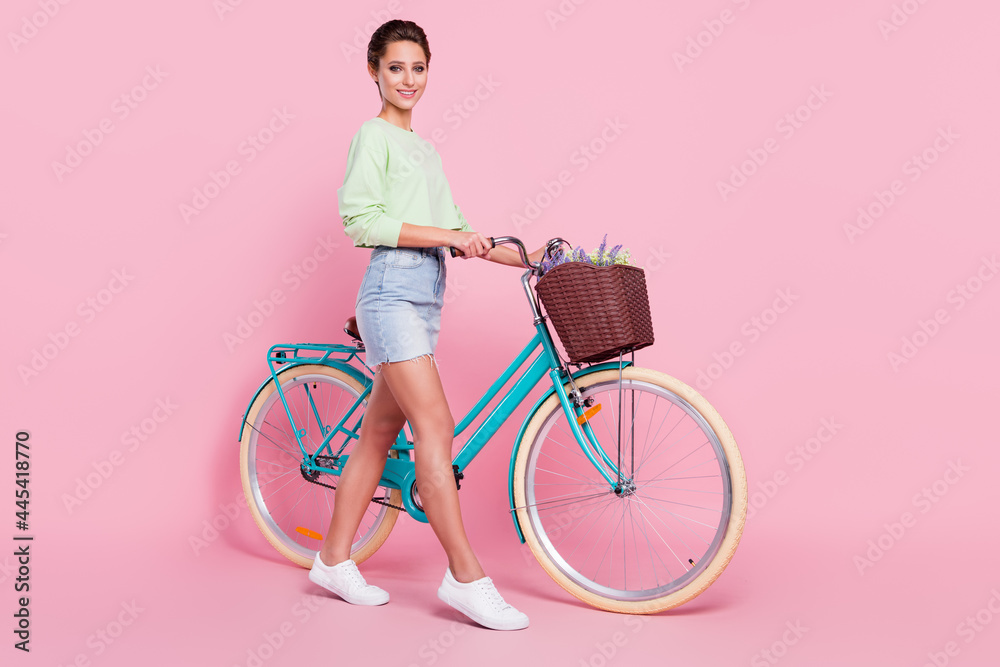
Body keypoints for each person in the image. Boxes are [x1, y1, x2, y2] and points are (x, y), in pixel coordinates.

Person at [309, 19, 544, 632]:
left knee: (377, 437)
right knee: (434, 426)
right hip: (390, 293)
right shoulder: (373, 137)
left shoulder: (425, 149)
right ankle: (465, 576)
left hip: (423, 299)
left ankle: (333, 560)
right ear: (373, 71)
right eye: (395, 68)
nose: (407, 79)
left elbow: (463, 231)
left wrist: (539, 256)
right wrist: (448, 236)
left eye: (417, 68)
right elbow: (362, 221)